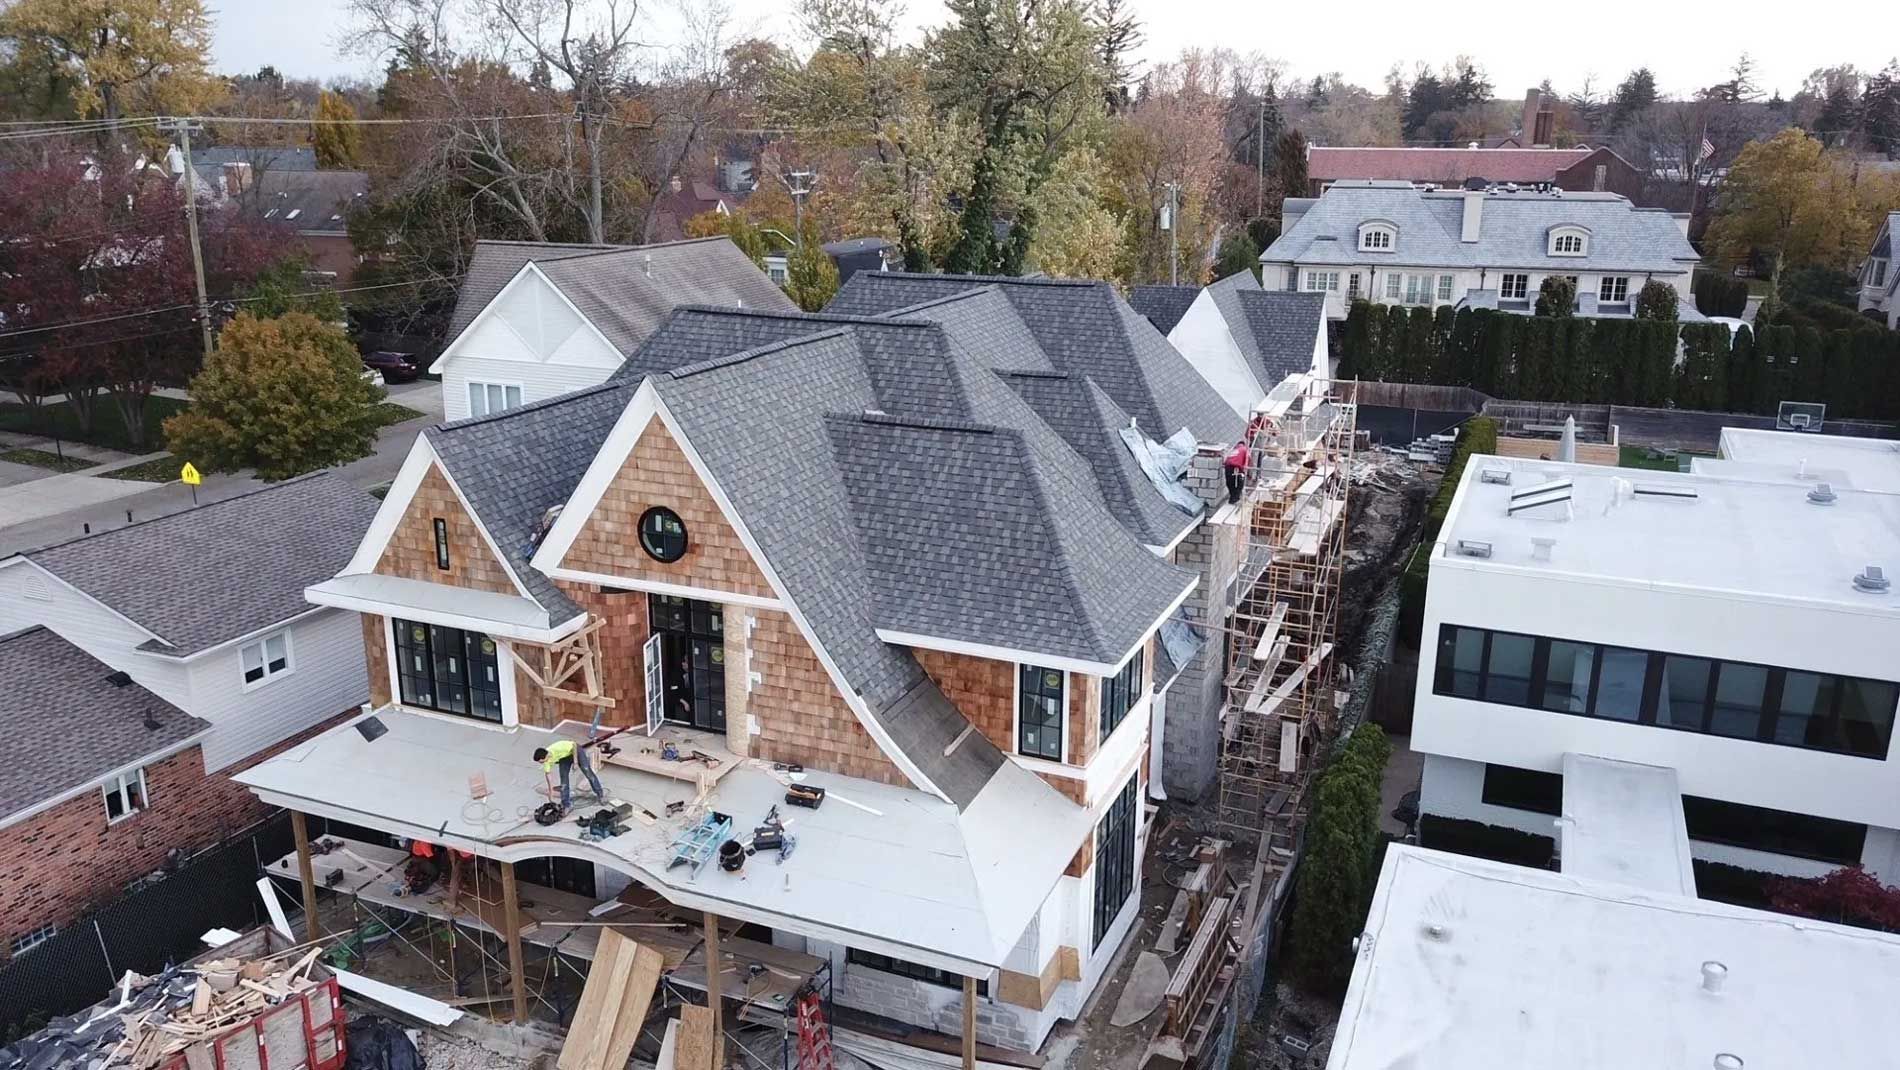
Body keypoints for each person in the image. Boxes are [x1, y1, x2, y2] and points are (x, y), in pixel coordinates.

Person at [534, 738, 606, 810]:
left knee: (587, 771)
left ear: (546, 756)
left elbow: (574, 744)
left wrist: (575, 762)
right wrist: (551, 792)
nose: (542, 763)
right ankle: (566, 804)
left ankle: (600, 794)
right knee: (564, 779)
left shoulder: (558, 747)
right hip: (564, 757)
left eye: (542, 761)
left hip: (576, 751)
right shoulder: (546, 761)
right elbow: (548, 774)